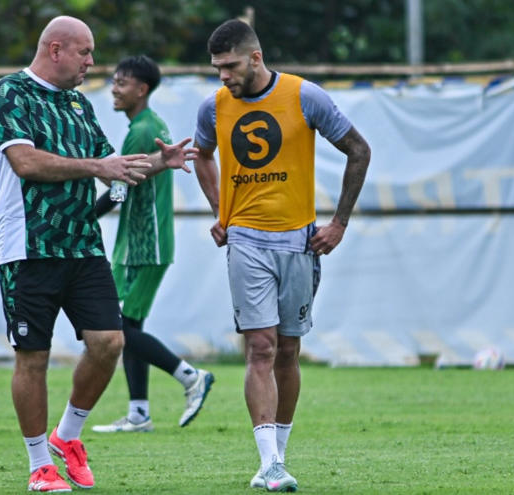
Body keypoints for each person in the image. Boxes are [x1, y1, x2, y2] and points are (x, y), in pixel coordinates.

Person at [0, 16, 197, 493]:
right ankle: (40, 465)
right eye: (85, 53)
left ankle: (68, 437)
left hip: (82, 245)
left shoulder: (78, 104)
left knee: (109, 343)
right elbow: (26, 162)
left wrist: (162, 161)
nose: (92, 63)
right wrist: (96, 166)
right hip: (28, 248)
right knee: (32, 359)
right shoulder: (9, 93)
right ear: (55, 49)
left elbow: (110, 166)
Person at [192, 20, 371, 492]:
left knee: (289, 350)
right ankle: (269, 464)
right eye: (216, 68)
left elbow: (359, 150)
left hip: (299, 242)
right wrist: (221, 210)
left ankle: (279, 457)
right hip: (246, 242)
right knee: (262, 347)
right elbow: (202, 156)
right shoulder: (213, 107)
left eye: (229, 66)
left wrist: (339, 224)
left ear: (254, 58)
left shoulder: (303, 96)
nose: (222, 77)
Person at [90, 55, 214, 434]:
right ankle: (139, 413)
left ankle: (190, 376)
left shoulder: (142, 130)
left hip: (145, 246)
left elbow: (121, 189)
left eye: (121, 82)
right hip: (140, 243)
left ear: (141, 89)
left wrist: (83, 218)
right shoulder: (146, 125)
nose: (114, 88)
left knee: (117, 328)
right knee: (128, 325)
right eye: (113, 81)